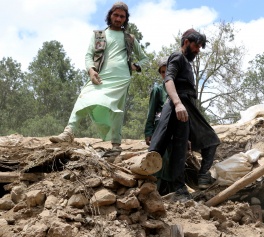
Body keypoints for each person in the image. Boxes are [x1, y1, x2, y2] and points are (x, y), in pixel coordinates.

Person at [49, 2, 148, 155]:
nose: (118, 18)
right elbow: (88, 55)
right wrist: (91, 71)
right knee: (84, 96)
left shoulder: (129, 38)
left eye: (122, 16)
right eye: (116, 15)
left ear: (125, 19)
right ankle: (68, 132)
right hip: (100, 75)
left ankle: (116, 145)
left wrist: (135, 66)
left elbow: (145, 59)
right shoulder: (98, 35)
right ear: (110, 15)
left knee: (117, 110)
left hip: (121, 78)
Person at [147, 28, 220, 201]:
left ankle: (191, 182)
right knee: (161, 146)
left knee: (192, 145)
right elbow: (169, 79)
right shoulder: (177, 57)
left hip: (186, 107)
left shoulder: (187, 63)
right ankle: (172, 187)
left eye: (200, 47)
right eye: (196, 46)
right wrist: (178, 103)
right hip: (177, 104)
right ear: (186, 42)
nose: (198, 50)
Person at [144, 57, 173, 195]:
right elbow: (151, 112)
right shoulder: (158, 90)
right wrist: (149, 132)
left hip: (174, 130)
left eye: (166, 70)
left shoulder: (177, 90)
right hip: (159, 129)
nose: (164, 73)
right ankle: (157, 192)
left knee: (172, 161)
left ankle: (170, 192)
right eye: (162, 72)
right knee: (161, 158)